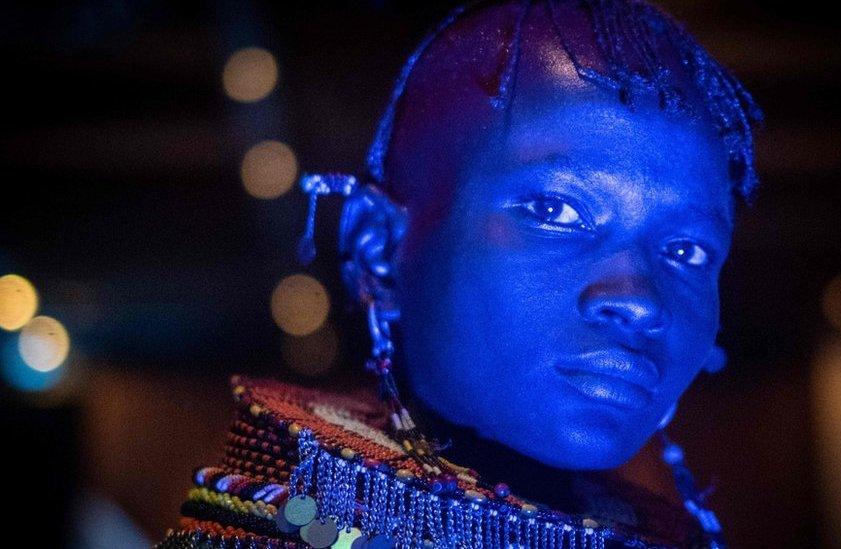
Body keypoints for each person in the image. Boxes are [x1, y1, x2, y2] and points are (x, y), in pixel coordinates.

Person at [156, 0, 762, 547]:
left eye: (688, 251)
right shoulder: (286, 530)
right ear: (378, 250)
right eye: (555, 210)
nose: (641, 301)